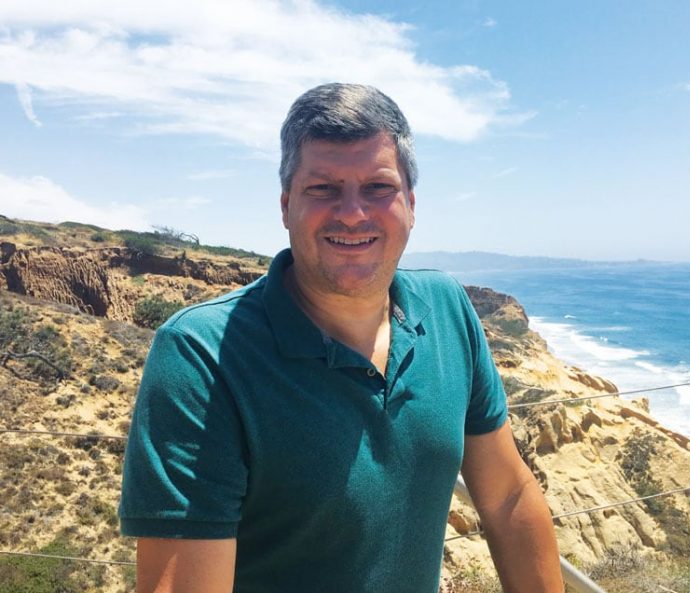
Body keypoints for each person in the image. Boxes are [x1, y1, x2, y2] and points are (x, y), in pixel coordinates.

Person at [119, 83, 564, 593]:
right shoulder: (201, 355)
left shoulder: (447, 308)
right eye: (323, 188)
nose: (353, 212)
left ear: (411, 205)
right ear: (286, 206)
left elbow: (507, 496)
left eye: (378, 187)